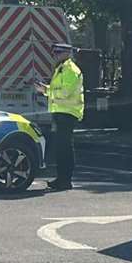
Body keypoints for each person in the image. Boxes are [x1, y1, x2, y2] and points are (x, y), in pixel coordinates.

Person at [38, 42, 84, 190]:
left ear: (67, 54)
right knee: (61, 147)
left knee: (64, 148)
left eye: (58, 53)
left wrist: (48, 92)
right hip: (62, 112)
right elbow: (58, 90)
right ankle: (62, 179)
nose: (55, 56)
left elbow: (65, 93)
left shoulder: (70, 70)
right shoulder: (61, 69)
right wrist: (44, 89)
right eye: (54, 53)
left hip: (68, 113)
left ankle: (65, 180)